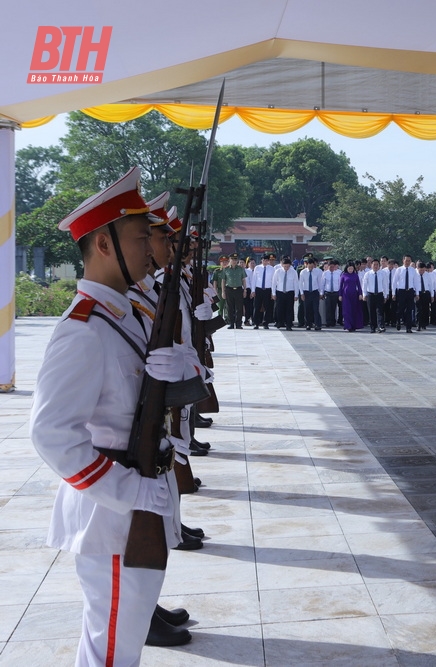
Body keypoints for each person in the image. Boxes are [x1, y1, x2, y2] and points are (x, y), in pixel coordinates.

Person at [29, 168, 186, 665]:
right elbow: (52, 434)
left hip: (138, 496)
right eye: (141, 238)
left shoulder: (127, 315)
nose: (151, 248)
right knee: (112, 650)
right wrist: (128, 491)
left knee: (118, 640)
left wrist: (185, 375)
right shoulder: (83, 329)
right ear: (103, 245)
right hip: (112, 510)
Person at [272, 256, 299, 331]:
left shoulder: (293, 272)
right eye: (285, 266)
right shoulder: (278, 271)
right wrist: (273, 293)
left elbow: (296, 283)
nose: (286, 268)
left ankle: (289, 324)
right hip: (280, 292)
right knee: (279, 308)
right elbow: (274, 283)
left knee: (289, 309)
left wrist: (296, 295)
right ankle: (280, 322)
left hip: (290, 292)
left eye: (288, 266)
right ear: (282, 265)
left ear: (290, 265)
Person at [393, 254, 419, 333]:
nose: (407, 262)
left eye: (409, 261)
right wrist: (393, 293)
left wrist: (417, 293)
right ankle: (398, 321)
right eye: (406, 260)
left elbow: (416, 282)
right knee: (400, 309)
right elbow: (394, 282)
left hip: (410, 291)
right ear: (403, 260)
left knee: (409, 309)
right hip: (401, 291)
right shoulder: (399, 270)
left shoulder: (413, 270)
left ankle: (409, 327)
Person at [221, 252, 246, 329]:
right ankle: (231, 323)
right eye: (232, 259)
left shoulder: (241, 269)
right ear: (229, 260)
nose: (234, 261)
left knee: (239, 308)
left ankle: (238, 324)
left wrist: (245, 290)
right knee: (230, 307)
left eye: (235, 259)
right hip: (229, 290)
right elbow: (223, 281)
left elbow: (243, 280)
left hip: (238, 289)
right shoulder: (226, 269)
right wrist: (223, 291)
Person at [362, 258, 389, 333]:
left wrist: (385, 295)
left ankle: (380, 326)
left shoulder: (383, 273)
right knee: (371, 312)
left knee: (380, 311)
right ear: (371, 265)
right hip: (370, 294)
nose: (376, 266)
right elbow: (364, 285)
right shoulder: (367, 274)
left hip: (379, 294)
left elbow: (385, 285)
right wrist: (364, 294)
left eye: (377, 265)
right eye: (374, 264)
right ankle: (373, 327)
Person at [299, 256, 324, 330]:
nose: (310, 267)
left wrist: (321, 292)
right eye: (309, 266)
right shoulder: (303, 272)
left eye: (312, 266)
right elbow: (300, 283)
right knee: (307, 309)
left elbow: (320, 283)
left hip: (314, 292)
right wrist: (302, 293)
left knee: (316, 309)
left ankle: (317, 324)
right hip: (306, 292)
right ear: (307, 264)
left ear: (314, 265)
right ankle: (308, 324)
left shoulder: (318, 272)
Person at [251, 254, 275, 328]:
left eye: (266, 260)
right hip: (258, 289)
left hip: (267, 289)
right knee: (257, 306)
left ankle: (266, 323)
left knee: (267, 307)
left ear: (268, 261)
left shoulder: (272, 269)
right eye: (263, 260)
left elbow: (273, 281)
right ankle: (256, 323)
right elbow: (254, 280)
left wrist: (273, 292)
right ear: (261, 260)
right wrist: (253, 290)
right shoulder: (257, 268)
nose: (265, 262)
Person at [340, 262, 365, 331]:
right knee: (347, 311)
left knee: (353, 310)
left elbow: (359, 285)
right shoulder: (343, 275)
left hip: (354, 294)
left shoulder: (355, 275)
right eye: (349, 268)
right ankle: (348, 325)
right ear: (347, 268)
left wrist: (360, 294)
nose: (350, 270)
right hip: (346, 295)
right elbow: (341, 286)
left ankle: (354, 325)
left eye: (352, 268)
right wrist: (340, 295)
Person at [323, 259, 342, 327]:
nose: (331, 268)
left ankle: (333, 321)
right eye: (330, 266)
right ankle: (328, 322)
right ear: (328, 266)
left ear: (335, 267)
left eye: (333, 267)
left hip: (335, 293)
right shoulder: (325, 273)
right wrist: (322, 293)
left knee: (333, 308)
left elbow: (339, 284)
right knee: (328, 308)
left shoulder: (338, 274)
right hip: (327, 292)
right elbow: (323, 284)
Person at [243, 257, 256, 325]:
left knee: (255, 306)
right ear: (248, 264)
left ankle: (255, 319)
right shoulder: (246, 271)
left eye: (254, 263)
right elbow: (247, 282)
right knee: (248, 306)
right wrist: (251, 291)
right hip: (248, 290)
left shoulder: (257, 271)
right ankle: (246, 320)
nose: (252, 264)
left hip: (256, 290)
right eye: (251, 263)